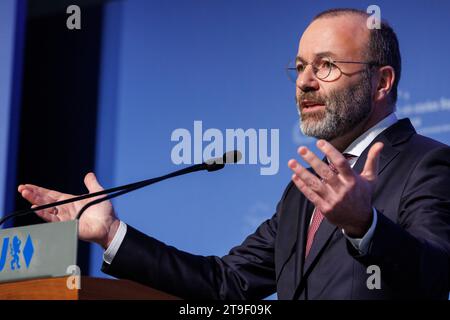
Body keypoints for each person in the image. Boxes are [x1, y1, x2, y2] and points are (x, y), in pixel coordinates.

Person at [18, 8, 450, 299]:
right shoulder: (304, 191)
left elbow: (436, 275)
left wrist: (366, 226)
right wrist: (112, 234)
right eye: (300, 67)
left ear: (382, 82)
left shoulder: (427, 164)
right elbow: (227, 283)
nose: (304, 82)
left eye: (326, 65)